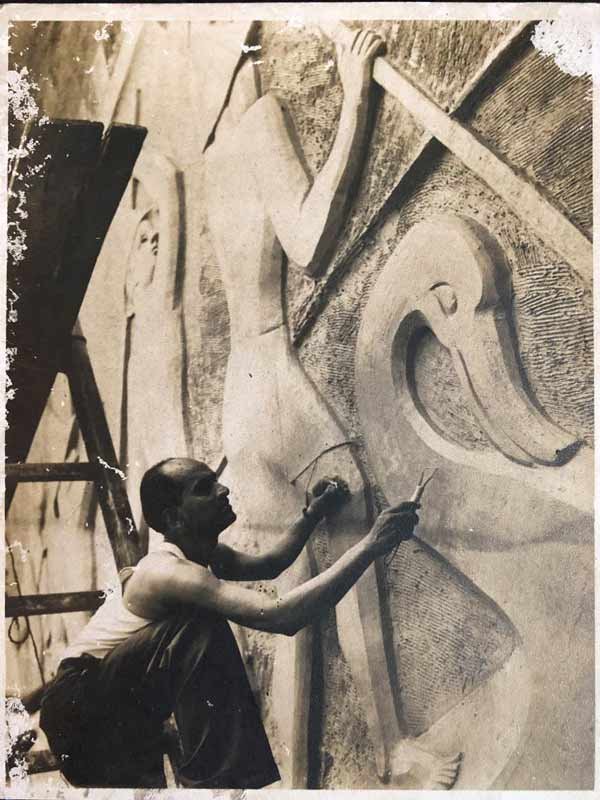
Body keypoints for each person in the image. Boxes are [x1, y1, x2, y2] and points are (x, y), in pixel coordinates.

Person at [200, 23, 461, 788]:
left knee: (299, 590)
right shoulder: (258, 123)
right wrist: (353, 103)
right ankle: (390, 749)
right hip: (272, 381)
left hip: (243, 400)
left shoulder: (213, 159)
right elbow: (310, 240)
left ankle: (299, 780)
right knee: (352, 545)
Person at [40, 457, 420, 789]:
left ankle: (219, 782)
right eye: (204, 489)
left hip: (106, 722)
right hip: (78, 713)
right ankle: (220, 785)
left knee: (197, 627)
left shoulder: (196, 554)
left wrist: (313, 514)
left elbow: (270, 564)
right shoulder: (168, 572)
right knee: (200, 628)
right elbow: (282, 616)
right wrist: (371, 545)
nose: (222, 490)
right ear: (175, 517)